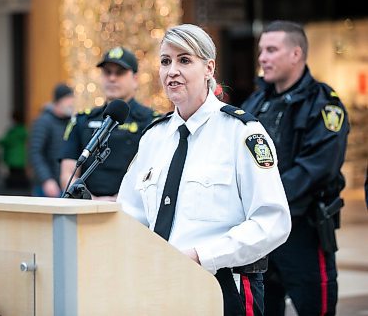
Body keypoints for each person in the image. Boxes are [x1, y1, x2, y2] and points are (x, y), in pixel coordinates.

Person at [117, 24, 291, 315]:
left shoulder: (242, 133)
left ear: (209, 68)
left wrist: (201, 256)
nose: (172, 70)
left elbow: (272, 221)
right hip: (158, 285)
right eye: (165, 61)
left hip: (223, 285)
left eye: (184, 60)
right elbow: (130, 213)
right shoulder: (153, 138)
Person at [241, 20, 350, 315]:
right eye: (261, 50)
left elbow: (317, 168)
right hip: (261, 234)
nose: (262, 57)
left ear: (296, 54)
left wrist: (265, 198)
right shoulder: (257, 102)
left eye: (272, 50)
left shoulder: (324, 105)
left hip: (304, 232)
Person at [60, 47, 158, 201]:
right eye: (107, 72)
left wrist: (120, 201)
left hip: (131, 211)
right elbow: (68, 173)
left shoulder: (152, 121)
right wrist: (91, 201)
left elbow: (156, 174)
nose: (112, 78)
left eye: (120, 72)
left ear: (135, 79)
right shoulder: (82, 120)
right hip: (86, 209)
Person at [29, 83, 75, 197]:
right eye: (68, 99)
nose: (71, 103)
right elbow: (35, 153)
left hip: (65, 185)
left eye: (72, 98)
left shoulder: (71, 123)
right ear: (58, 101)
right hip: (47, 187)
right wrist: (46, 180)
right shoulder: (43, 122)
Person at [0, 110, 29, 188]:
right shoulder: (23, 130)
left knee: (14, 177)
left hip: (13, 158)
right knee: (20, 175)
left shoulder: (14, 131)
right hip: (21, 157)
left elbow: (6, 141)